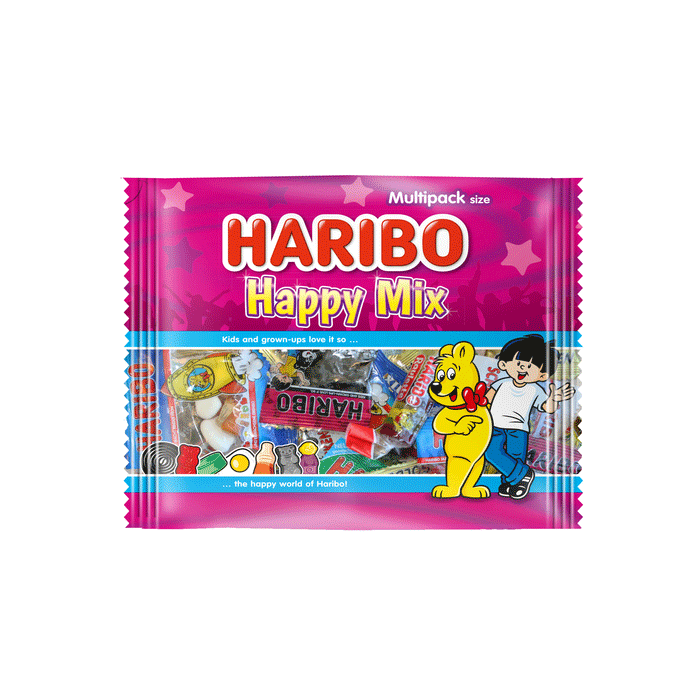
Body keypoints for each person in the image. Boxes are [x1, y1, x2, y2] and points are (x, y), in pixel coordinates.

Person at [484, 334, 575, 499]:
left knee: (515, 457)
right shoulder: (501, 383)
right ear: (504, 364)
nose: (523, 369)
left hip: (518, 429)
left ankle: (510, 483)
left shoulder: (535, 389)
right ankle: (524, 474)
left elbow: (547, 407)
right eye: (519, 364)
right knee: (491, 453)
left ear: (542, 375)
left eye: (531, 367)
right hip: (494, 425)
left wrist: (554, 399)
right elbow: (485, 400)